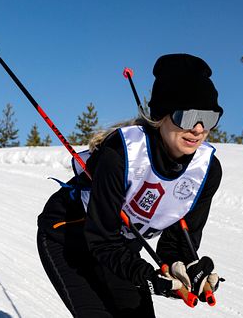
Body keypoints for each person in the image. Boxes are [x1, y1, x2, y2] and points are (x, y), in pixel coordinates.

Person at [36, 54, 223, 317]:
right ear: (162, 115)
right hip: (69, 237)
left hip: (119, 248)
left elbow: (175, 244)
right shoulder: (121, 154)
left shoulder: (206, 171)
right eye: (188, 116)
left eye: (209, 117)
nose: (199, 129)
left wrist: (188, 267)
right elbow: (102, 241)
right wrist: (149, 277)